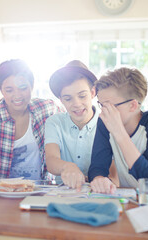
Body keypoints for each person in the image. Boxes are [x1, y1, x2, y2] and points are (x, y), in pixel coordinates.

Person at [88, 67, 148, 194]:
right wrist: (99, 179)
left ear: (133, 105)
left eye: (107, 105)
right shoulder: (105, 121)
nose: (102, 112)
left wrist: (119, 132)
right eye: (101, 105)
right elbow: (97, 167)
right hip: (131, 198)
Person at [0, 59, 63, 180]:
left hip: (43, 190)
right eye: (9, 90)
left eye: (23, 88)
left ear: (32, 86)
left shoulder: (47, 109)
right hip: (4, 191)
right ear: (1, 89)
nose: (17, 95)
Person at [45, 60, 101, 190]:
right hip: (64, 192)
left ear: (92, 93)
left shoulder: (106, 123)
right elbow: (51, 160)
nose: (76, 104)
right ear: (61, 100)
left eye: (82, 96)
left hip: (98, 192)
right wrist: (67, 166)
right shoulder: (54, 123)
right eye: (68, 99)